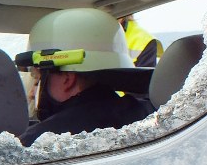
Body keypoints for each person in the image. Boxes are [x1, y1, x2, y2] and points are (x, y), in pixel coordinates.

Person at [16, 8, 154, 146]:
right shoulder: (150, 117)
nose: (33, 92)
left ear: (67, 78)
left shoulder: (39, 141)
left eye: (37, 77)